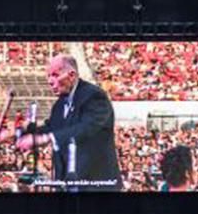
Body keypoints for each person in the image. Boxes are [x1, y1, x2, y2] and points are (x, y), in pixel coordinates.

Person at [14, 54, 121, 190]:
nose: (50, 81)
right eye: (48, 76)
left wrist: (46, 138)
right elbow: (51, 128)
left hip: (96, 184)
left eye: (55, 75)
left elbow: (85, 127)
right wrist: (19, 132)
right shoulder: (59, 105)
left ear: (71, 75)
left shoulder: (94, 96)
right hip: (66, 183)